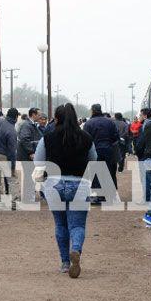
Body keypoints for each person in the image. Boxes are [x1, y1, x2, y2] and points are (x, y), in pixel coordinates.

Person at [34, 103, 97, 278]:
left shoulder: (47, 137)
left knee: (60, 224)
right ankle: (75, 249)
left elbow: (38, 162)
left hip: (54, 184)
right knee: (76, 225)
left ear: (57, 118)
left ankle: (64, 263)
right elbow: (94, 159)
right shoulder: (86, 138)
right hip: (79, 183)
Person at [83, 104, 119, 201]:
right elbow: (116, 136)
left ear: (92, 111)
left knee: (96, 171)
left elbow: (85, 138)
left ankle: (99, 195)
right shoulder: (110, 122)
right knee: (109, 170)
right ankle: (110, 193)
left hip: (95, 149)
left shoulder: (89, 123)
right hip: (108, 149)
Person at [0, 108, 19, 207]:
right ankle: (13, 202)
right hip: (3, 155)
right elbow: (12, 152)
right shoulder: (11, 131)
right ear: (16, 117)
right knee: (11, 178)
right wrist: (13, 166)